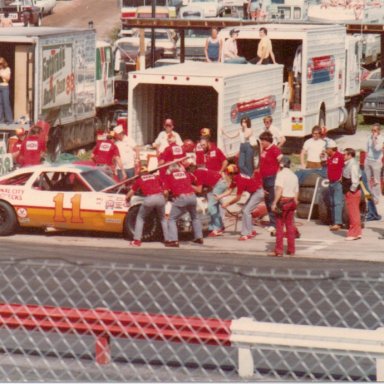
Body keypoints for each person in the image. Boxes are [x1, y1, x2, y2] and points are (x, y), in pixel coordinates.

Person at [217, 164, 264, 241]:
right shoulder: (236, 178)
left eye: (228, 174)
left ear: (231, 174)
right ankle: (251, 230)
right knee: (245, 210)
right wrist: (219, 196)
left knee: (246, 211)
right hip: (255, 192)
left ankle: (247, 234)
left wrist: (227, 204)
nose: (227, 175)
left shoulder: (239, 180)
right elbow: (229, 191)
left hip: (258, 193)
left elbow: (238, 198)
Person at [126, 166, 169, 247]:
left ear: (140, 174)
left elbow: (130, 193)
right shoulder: (156, 177)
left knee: (140, 217)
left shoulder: (139, 180)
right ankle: (168, 240)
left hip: (150, 199)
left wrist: (127, 199)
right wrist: (165, 200)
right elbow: (166, 192)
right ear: (148, 172)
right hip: (160, 198)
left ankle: (137, 241)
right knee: (163, 219)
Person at [163, 164, 204, 248]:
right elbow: (195, 180)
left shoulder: (169, 176)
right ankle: (199, 237)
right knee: (195, 217)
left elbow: (165, 192)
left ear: (170, 170)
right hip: (192, 196)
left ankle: (174, 241)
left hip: (181, 197)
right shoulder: (186, 174)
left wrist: (165, 199)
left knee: (171, 219)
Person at [269, 156, 299, 256]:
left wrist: (274, 202)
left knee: (279, 226)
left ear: (281, 164)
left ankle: (279, 250)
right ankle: (291, 250)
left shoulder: (281, 175)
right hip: (292, 201)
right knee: (290, 226)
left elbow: (279, 189)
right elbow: (296, 192)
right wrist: (295, 202)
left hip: (283, 201)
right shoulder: (294, 176)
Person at [193, 166, 229, 237]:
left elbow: (199, 190)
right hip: (221, 182)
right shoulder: (200, 170)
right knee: (214, 207)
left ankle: (217, 228)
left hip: (219, 184)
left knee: (211, 206)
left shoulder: (198, 173)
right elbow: (209, 187)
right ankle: (219, 226)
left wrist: (189, 185)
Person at [259, 131, 282, 234]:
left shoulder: (275, 149)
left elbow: (282, 163)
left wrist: (278, 176)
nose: (261, 143)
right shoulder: (264, 150)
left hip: (272, 179)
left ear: (267, 140)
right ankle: (271, 222)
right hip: (264, 178)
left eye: (262, 141)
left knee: (273, 201)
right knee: (267, 201)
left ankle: (275, 224)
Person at [342, 148, 362, 241]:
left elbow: (355, 181)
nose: (343, 156)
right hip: (353, 192)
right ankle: (358, 232)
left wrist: (351, 191)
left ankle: (353, 233)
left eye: (345, 154)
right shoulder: (352, 163)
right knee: (355, 213)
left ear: (350, 155)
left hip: (352, 193)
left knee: (352, 214)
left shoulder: (353, 165)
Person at [325, 139, 344, 232]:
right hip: (331, 182)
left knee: (337, 203)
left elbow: (344, 166)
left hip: (337, 182)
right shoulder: (329, 158)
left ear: (332, 149)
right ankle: (333, 221)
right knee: (332, 203)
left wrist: (342, 176)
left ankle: (338, 222)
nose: (325, 150)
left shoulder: (340, 156)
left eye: (327, 149)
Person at [364, 123, 384, 205]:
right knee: (368, 179)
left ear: (379, 131)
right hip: (368, 160)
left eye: (375, 130)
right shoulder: (369, 137)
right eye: (372, 130)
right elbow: (367, 148)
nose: (373, 132)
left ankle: (376, 198)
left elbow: (377, 148)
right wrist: (365, 158)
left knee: (376, 181)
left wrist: (375, 139)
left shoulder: (381, 139)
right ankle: (369, 196)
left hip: (376, 162)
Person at [0, 57, 13, 124]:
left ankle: (9, 120)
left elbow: (8, 78)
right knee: (0, 104)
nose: (0, 65)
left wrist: (1, 74)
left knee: (6, 103)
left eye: (1, 63)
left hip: (5, 86)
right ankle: (1, 120)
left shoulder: (7, 69)